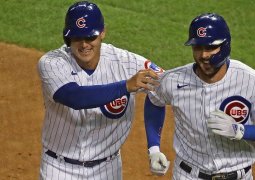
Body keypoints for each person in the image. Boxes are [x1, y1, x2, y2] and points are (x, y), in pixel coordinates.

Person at [144, 13, 255, 180]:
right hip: (188, 175)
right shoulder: (173, 80)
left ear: (226, 46)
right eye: (197, 47)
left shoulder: (252, 81)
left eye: (210, 47)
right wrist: (154, 148)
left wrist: (240, 130)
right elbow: (154, 99)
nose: (203, 55)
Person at [37, 1, 164, 179]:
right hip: (58, 169)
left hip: (107, 170)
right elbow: (74, 97)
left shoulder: (125, 61)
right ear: (68, 37)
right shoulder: (52, 62)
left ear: (102, 32)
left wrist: (154, 147)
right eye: (77, 38)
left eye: (90, 37)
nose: (84, 45)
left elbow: (163, 89)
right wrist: (126, 86)